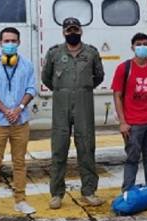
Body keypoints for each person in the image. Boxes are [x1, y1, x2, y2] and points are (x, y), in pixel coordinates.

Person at [42, 17, 105, 209]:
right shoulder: (54, 53)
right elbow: (47, 78)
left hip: (84, 103)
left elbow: (99, 76)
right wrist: (64, 91)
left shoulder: (91, 53)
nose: (72, 33)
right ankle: (56, 194)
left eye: (75, 30)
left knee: (86, 147)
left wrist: (82, 89)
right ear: (63, 32)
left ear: (81, 31)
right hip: (61, 104)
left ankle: (89, 191)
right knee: (59, 149)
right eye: (69, 30)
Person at [0, 27, 37, 220]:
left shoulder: (27, 65)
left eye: (13, 41)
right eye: (7, 41)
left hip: (20, 121)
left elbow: (31, 89)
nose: (10, 44)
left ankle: (20, 201)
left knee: (19, 163)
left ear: (19, 43)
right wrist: (6, 110)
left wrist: (19, 108)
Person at [112, 33, 147, 191]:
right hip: (133, 123)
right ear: (132, 47)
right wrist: (122, 122)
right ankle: (128, 190)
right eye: (138, 44)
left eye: (145, 43)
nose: (142, 47)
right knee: (132, 159)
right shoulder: (124, 68)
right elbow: (117, 95)